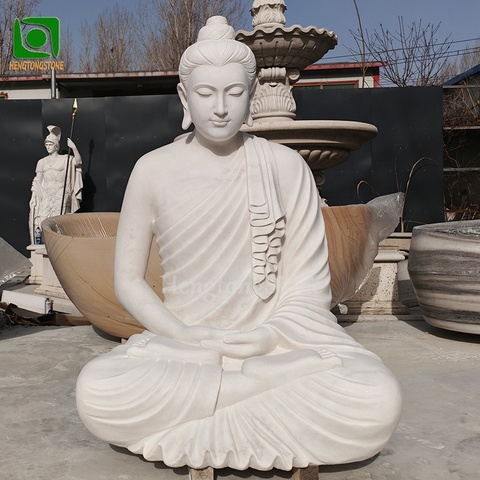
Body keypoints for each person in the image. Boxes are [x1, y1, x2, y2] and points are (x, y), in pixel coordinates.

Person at [76, 16, 401, 471]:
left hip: (273, 342)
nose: (220, 108)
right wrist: (184, 335)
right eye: (206, 94)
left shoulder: (286, 167)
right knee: (98, 389)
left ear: (251, 96)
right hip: (187, 347)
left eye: (233, 93)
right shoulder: (152, 169)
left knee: (377, 399)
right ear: (184, 97)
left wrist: (269, 335)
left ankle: (209, 411)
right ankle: (254, 389)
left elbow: (308, 289)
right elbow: (128, 282)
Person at [29, 125, 83, 244]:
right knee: (43, 221)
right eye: (46, 144)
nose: (48, 147)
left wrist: (73, 148)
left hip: (61, 194)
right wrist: (34, 197)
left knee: (59, 223)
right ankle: (45, 246)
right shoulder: (41, 162)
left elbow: (78, 162)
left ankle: (59, 245)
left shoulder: (65, 159)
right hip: (46, 196)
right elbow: (37, 181)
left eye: (50, 144)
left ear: (56, 146)